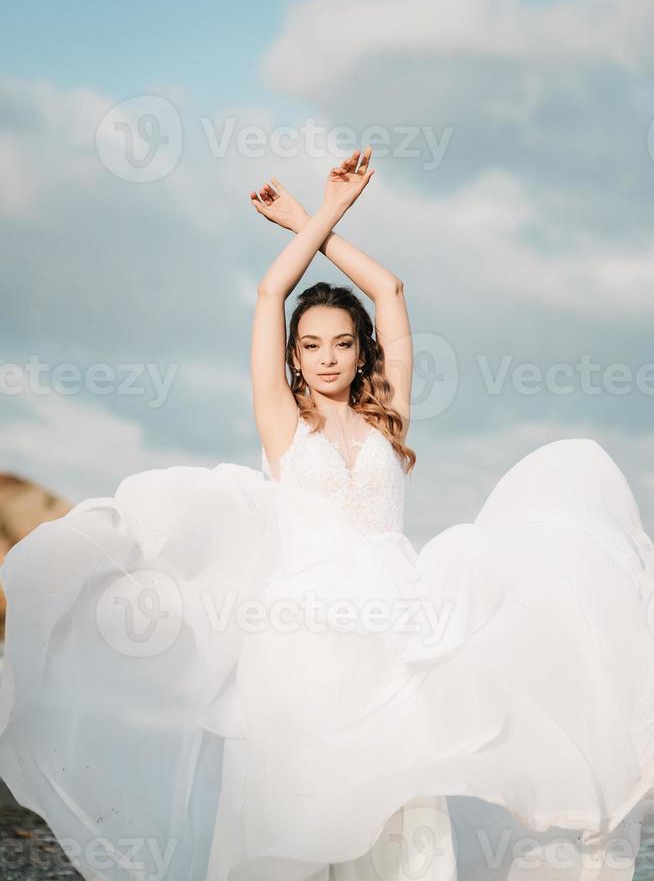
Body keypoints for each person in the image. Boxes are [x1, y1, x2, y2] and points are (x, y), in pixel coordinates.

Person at [0, 147, 653, 881]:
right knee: (298, 810)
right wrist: (313, 218)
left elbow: (393, 288)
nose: (327, 357)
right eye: (310, 346)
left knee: (399, 802)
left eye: (342, 343)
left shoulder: (387, 419)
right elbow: (269, 292)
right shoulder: (284, 420)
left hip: (397, 627)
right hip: (300, 636)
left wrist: (319, 217)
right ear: (293, 356)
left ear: (362, 350)